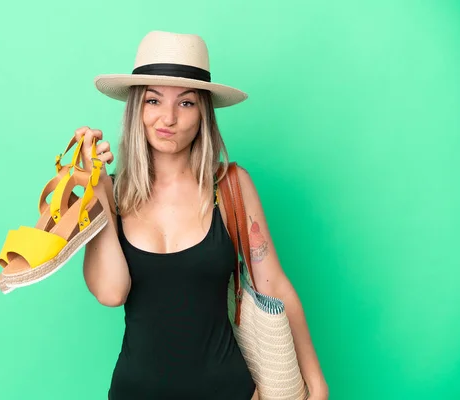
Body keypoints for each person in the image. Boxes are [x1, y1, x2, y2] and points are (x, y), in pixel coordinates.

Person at [75, 31, 328, 400]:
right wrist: (94, 186)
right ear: (136, 109)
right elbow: (111, 292)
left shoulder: (230, 187)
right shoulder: (111, 194)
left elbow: (274, 284)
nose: (168, 118)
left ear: (203, 113)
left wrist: (317, 386)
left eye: (187, 103)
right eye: (153, 100)